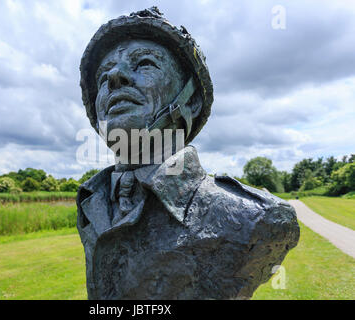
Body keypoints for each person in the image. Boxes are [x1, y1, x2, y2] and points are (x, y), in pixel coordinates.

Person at [77, 7, 300, 300]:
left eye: (144, 63)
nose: (114, 77)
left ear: (191, 101)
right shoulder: (91, 201)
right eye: (103, 75)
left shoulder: (256, 216)